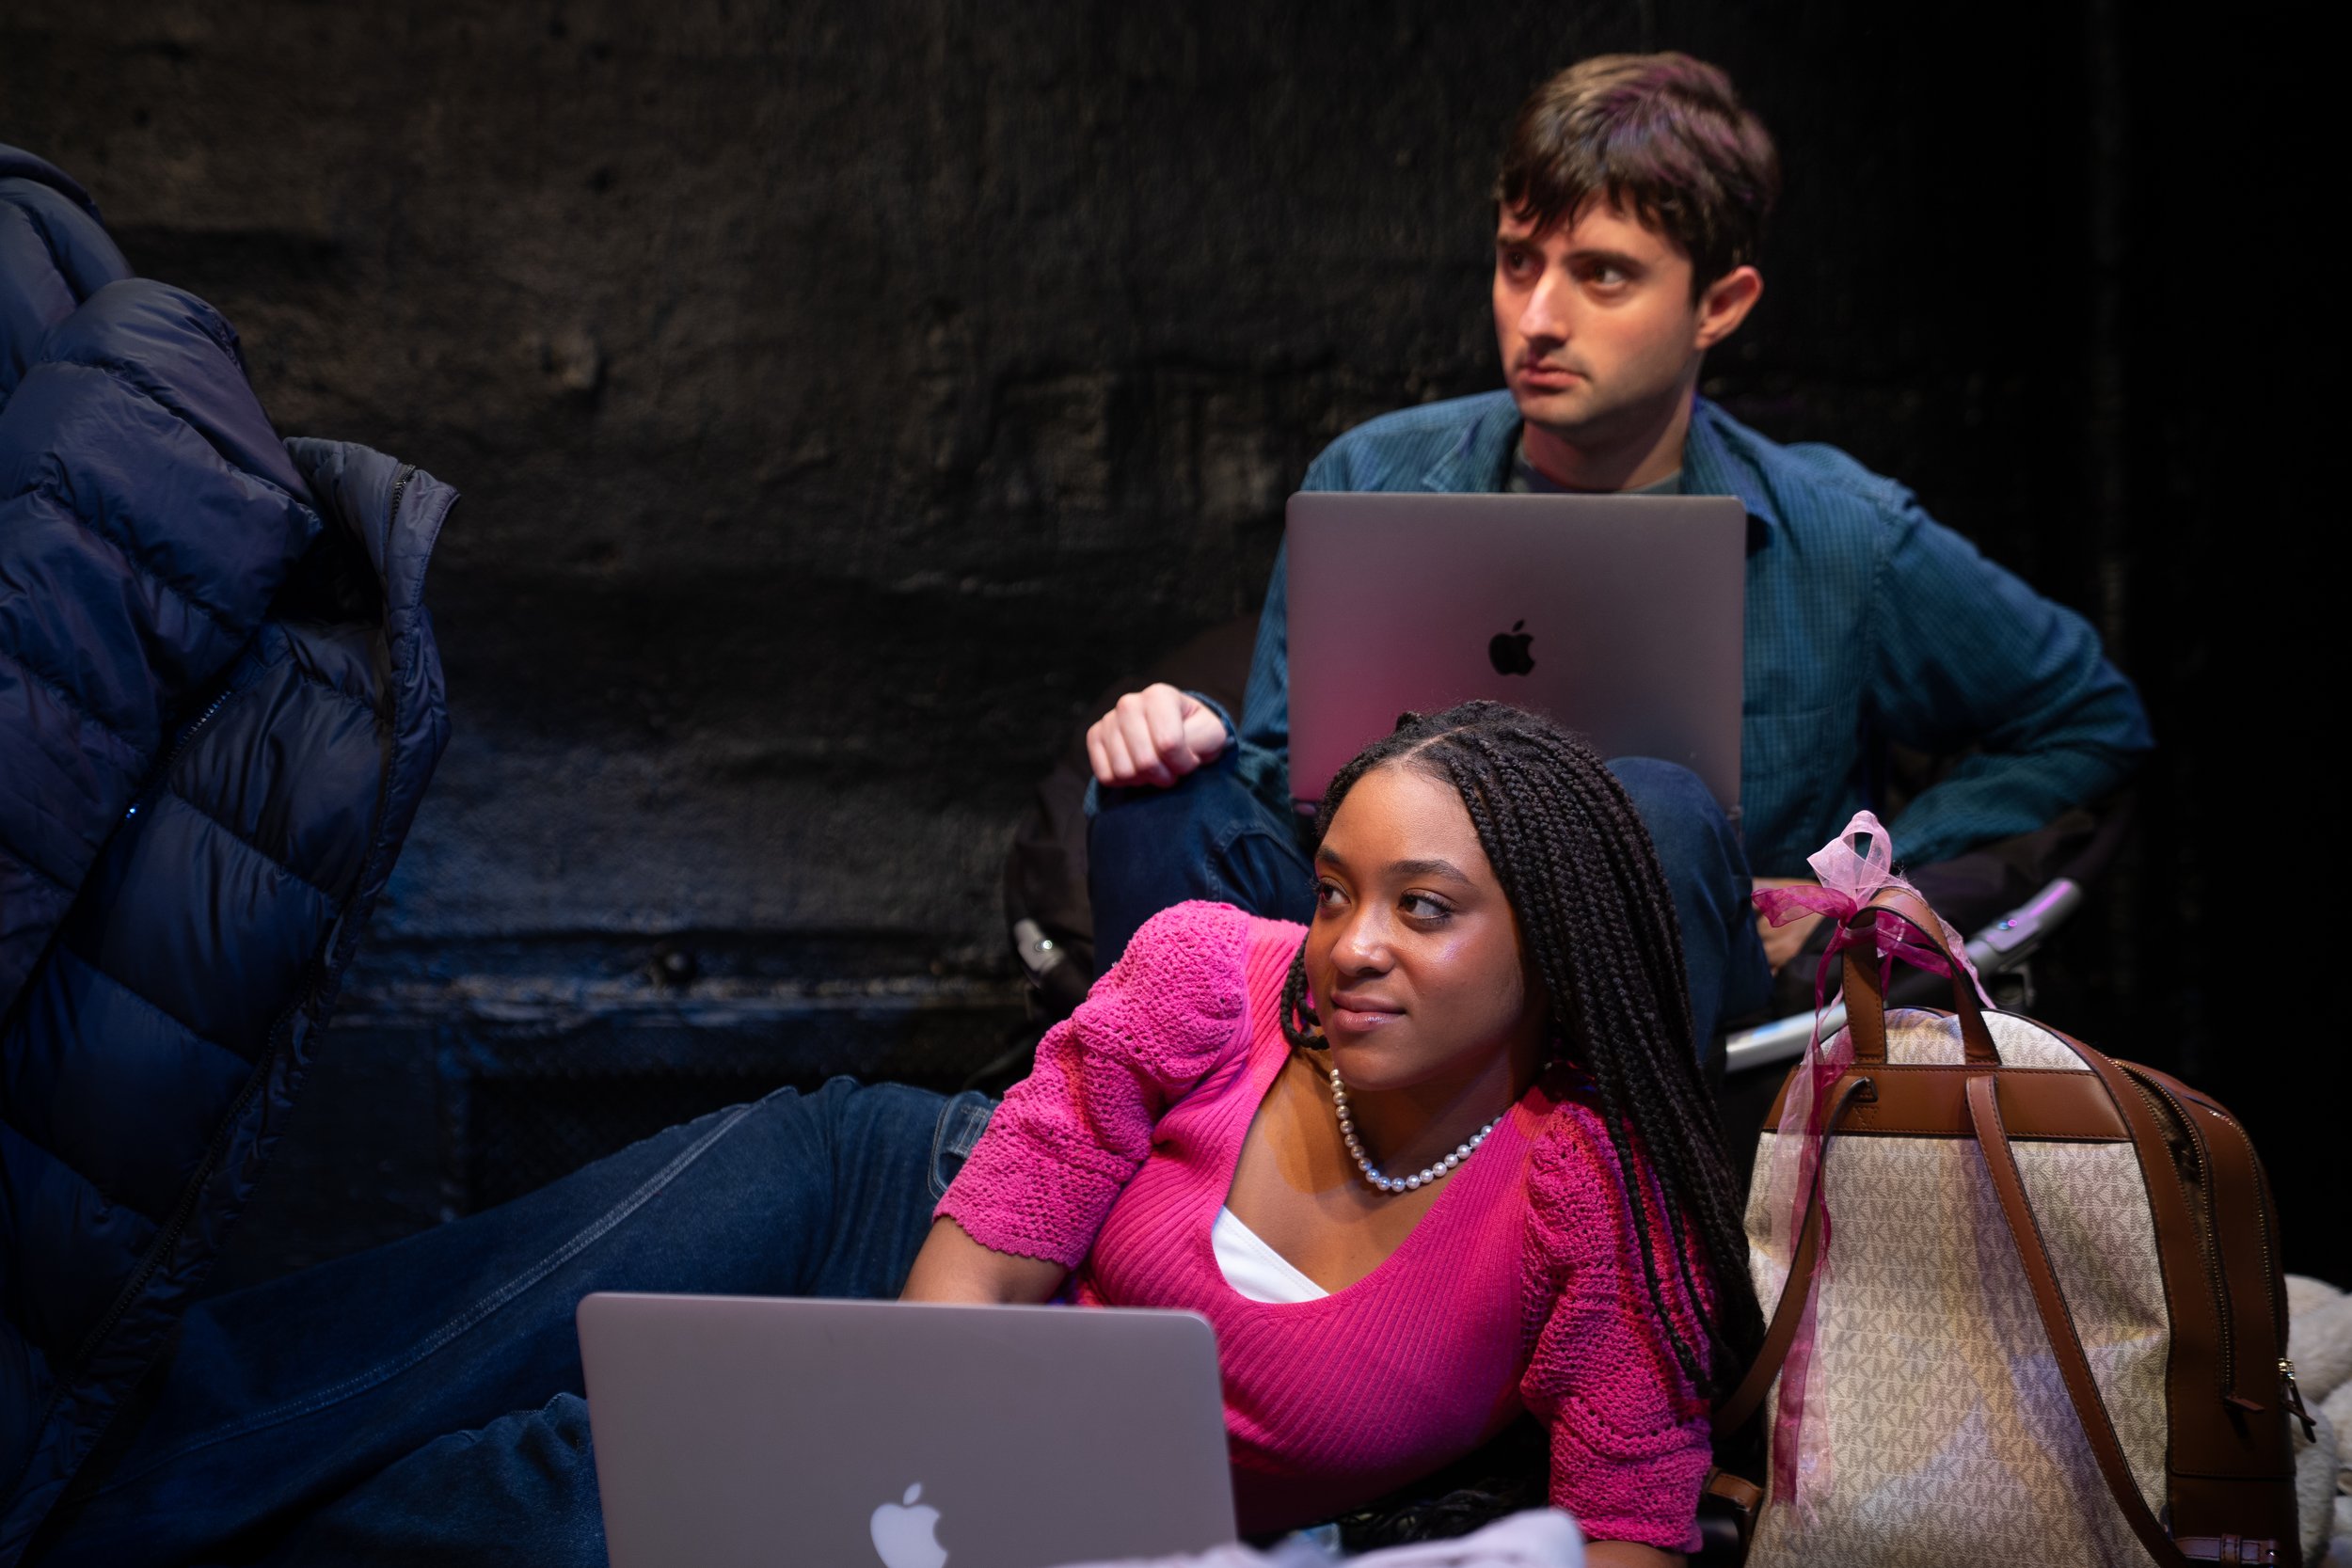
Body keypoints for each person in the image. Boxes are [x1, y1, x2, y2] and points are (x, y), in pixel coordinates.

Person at [45, 705, 1755, 1566]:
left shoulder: (1586, 1203)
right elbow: (977, 1283)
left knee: (561, 1486)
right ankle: (50, 1484)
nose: (1352, 944)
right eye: (1334, 892)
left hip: (1041, 1459)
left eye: (1424, 907)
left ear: (1555, 941)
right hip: (901, 1210)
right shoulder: (1208, 977)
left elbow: (1631, 1528)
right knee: (440, 1349)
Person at [1084, 53, 2153, 1048]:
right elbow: (1282, 784)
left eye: (1601, 276)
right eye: (1517, 262)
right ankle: (1195, 1199)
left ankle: (1604, 1232)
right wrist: (1192, 740)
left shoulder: (1841, 533)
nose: (1536, 317)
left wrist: (1857, 883)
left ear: (1717, 306)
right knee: (1156, 798)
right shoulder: (1373, 476)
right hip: (1378, 972)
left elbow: (2083, 715)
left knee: (1653, 802)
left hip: (1658, 1018)